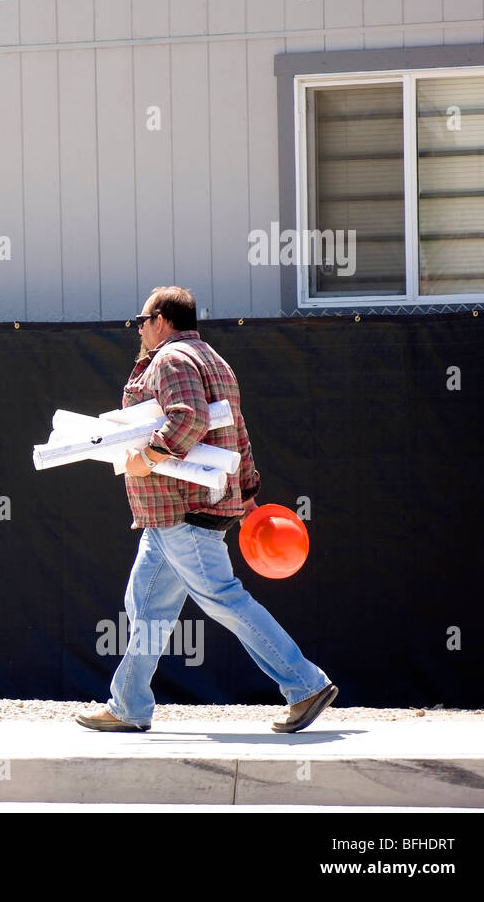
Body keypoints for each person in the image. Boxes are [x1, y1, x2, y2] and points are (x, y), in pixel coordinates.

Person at [75, 286, 337, 734]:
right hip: (173, 516)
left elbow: (189, 417)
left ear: (161, 320)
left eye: (142, 320)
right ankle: (128, 705)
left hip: (181, 510)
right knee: (146, 606)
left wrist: (148, 457)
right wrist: (248, 489)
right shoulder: (215, 360)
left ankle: (305, 685)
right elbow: (235, 431)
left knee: (224, 599)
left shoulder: (171, 359)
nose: (138, 328)